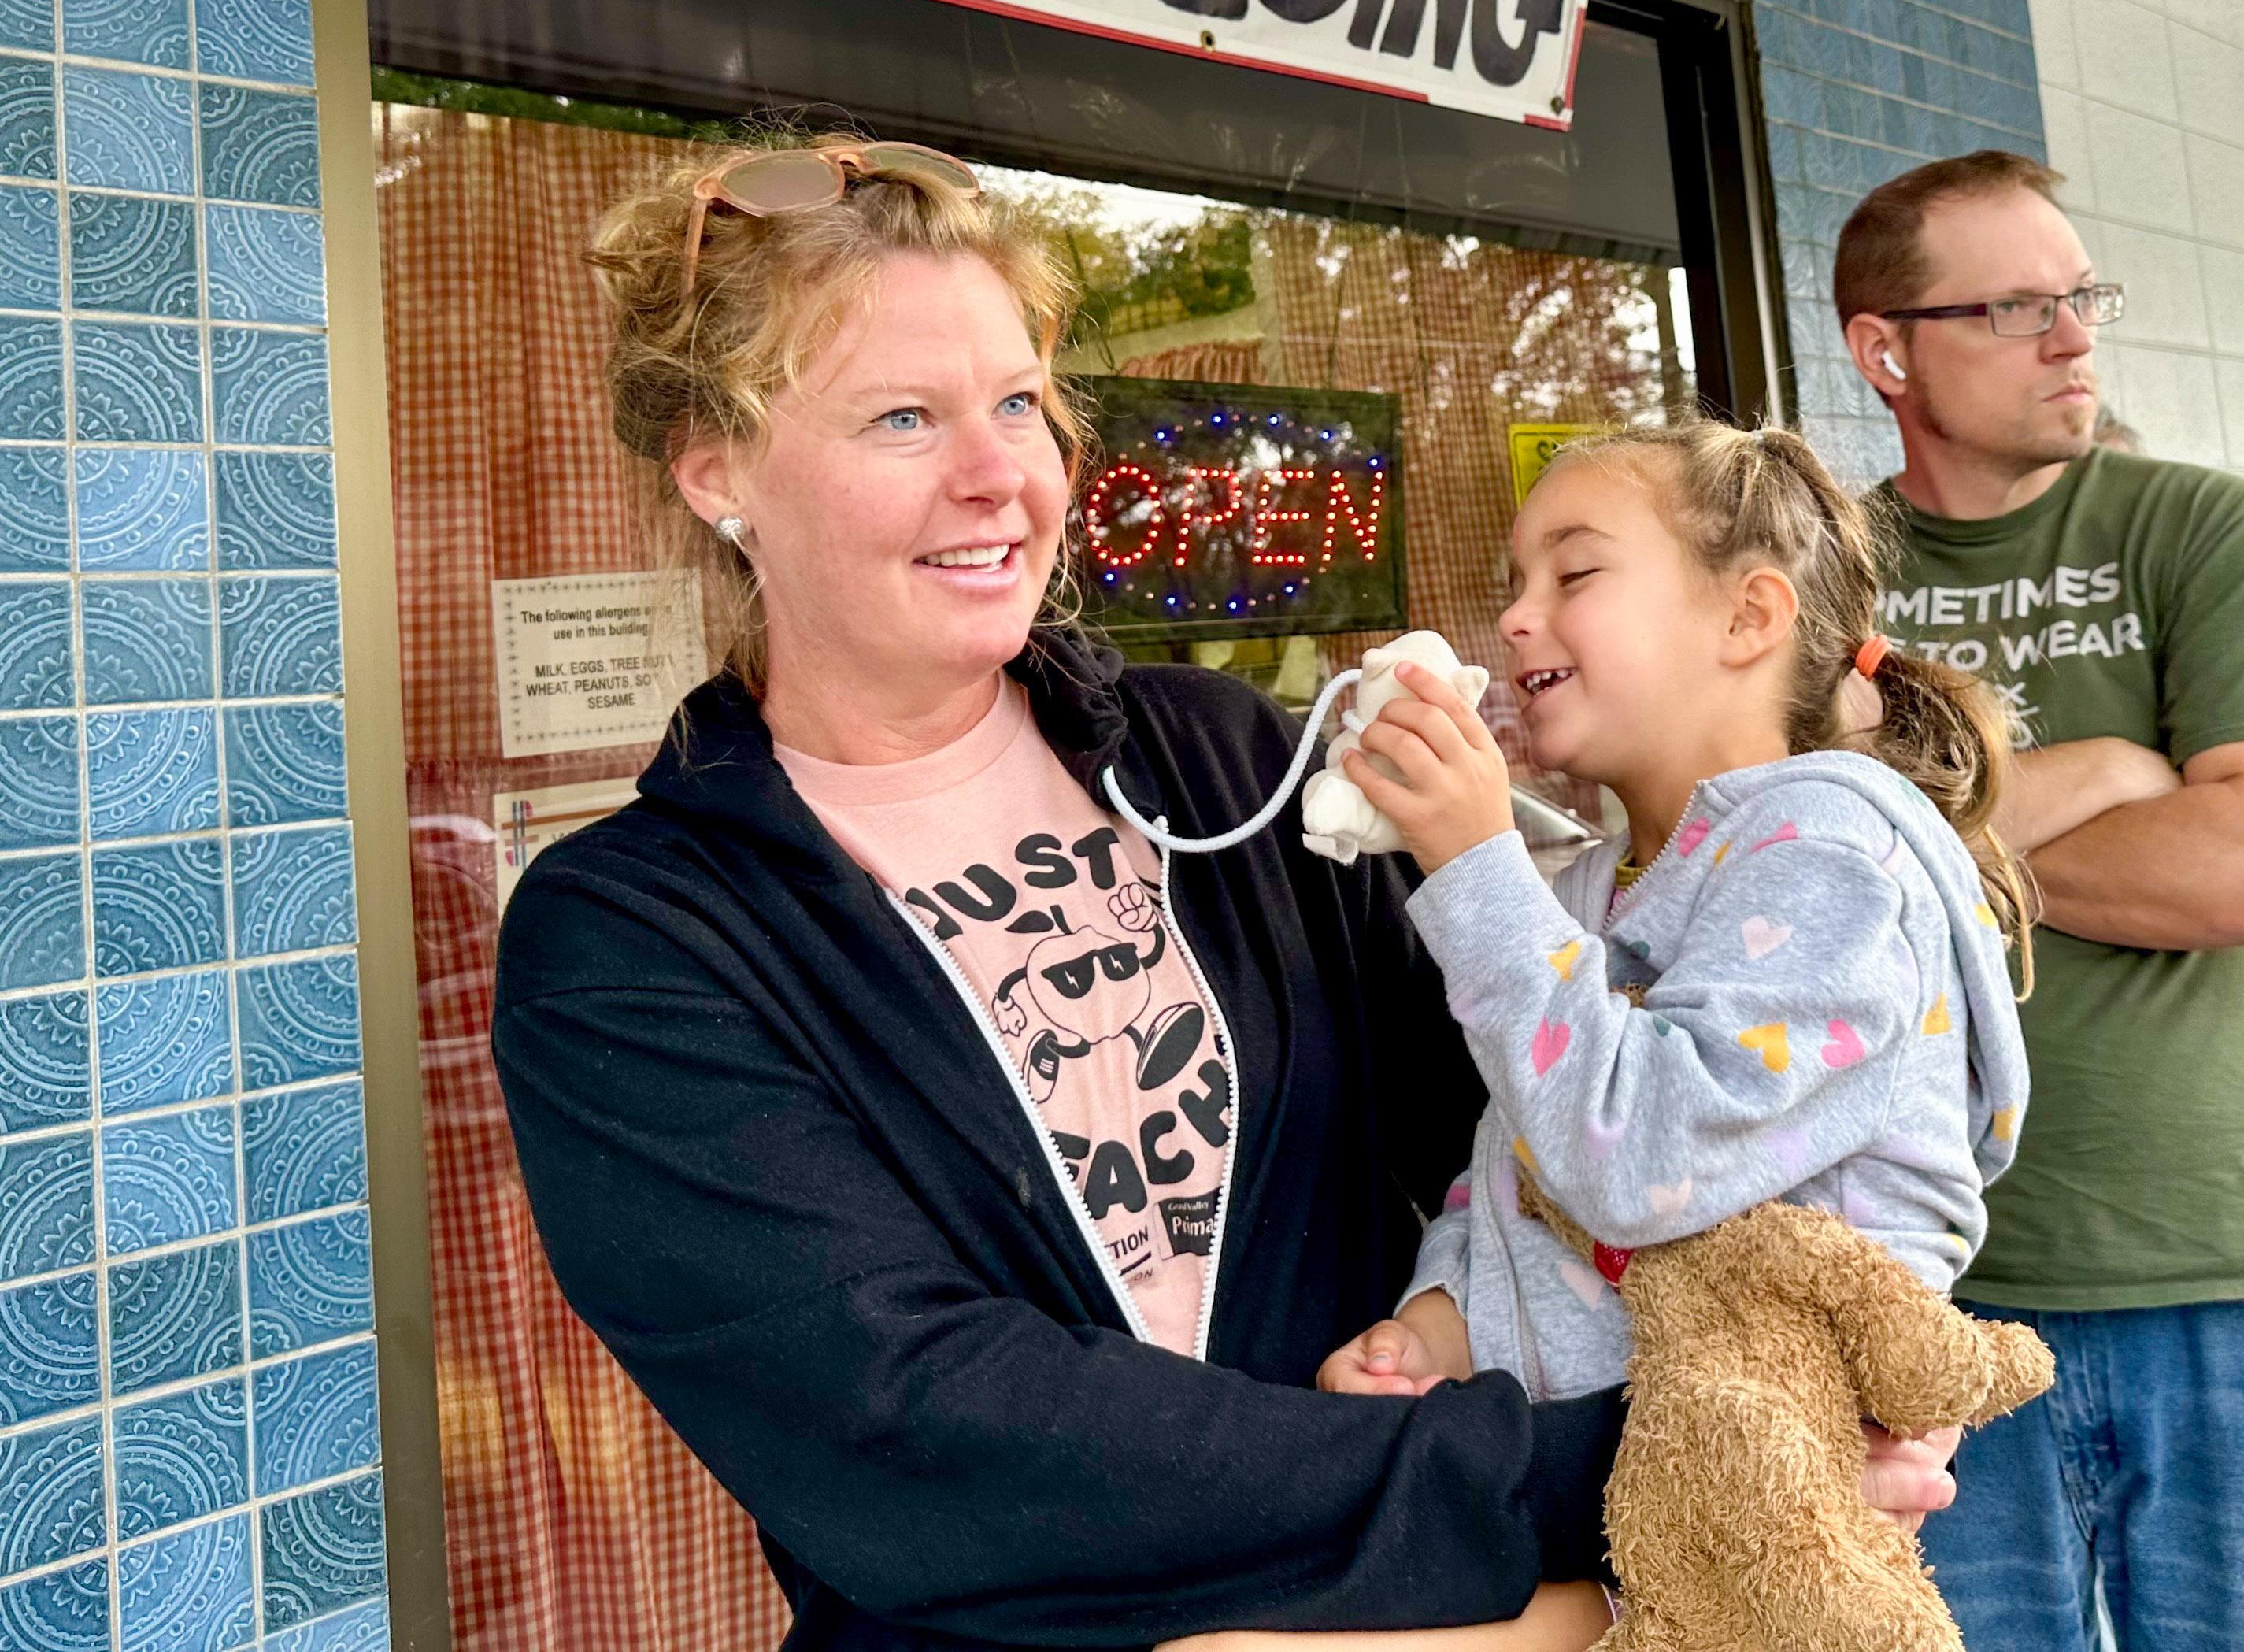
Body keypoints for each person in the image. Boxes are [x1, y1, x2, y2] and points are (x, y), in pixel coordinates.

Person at [491, 136, 1955, 1652]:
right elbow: (928, 1426)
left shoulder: (1221, 763)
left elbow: (1544, 1139)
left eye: (1016, 404)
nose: (999, 473)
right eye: (904, 416)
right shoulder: (635, 936)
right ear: (718, 468)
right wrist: (1625, 1476)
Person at [1838, 148, 2244, 1652]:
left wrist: (1915, 849)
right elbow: (1746, 889)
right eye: (2018, 304)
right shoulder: (1807, 586)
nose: (2074, 334)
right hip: (1924, 1292)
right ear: (1883, 347)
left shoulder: (2212, 532)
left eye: (2081, 293)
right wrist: (2110, 768)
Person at [1316, 424, 2031, 1425]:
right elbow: (1519, 1153)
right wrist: (1440, 1321)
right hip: (1606, 1468)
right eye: (1513, 583)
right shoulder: (1582, 889)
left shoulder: (1826, 854)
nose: (1517, 618)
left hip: (1766, 1486)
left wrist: (1478, 869)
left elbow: (1635, 1161)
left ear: (1746, 616)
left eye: (1573, 574)